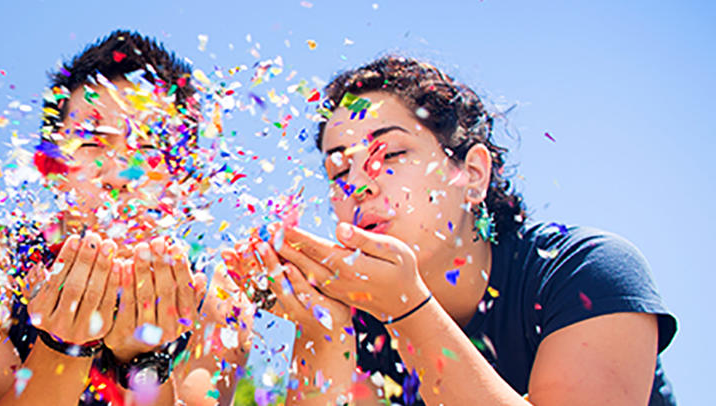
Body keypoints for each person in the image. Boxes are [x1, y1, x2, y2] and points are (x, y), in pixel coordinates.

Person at [225, 55, 677, 405]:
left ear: (474, 173)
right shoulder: (358, 325)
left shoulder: (585, 271)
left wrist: (406, 309)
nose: (359, 184)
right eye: (339, 168)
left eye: (393, 153)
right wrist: (324, 332)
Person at [0, 30, 254, 406]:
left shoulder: (215, 299)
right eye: (90, 141)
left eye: (150, 146)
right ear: (53, 166)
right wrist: (64, 345)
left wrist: (141, 364)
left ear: (184, 178)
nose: (119, 173)